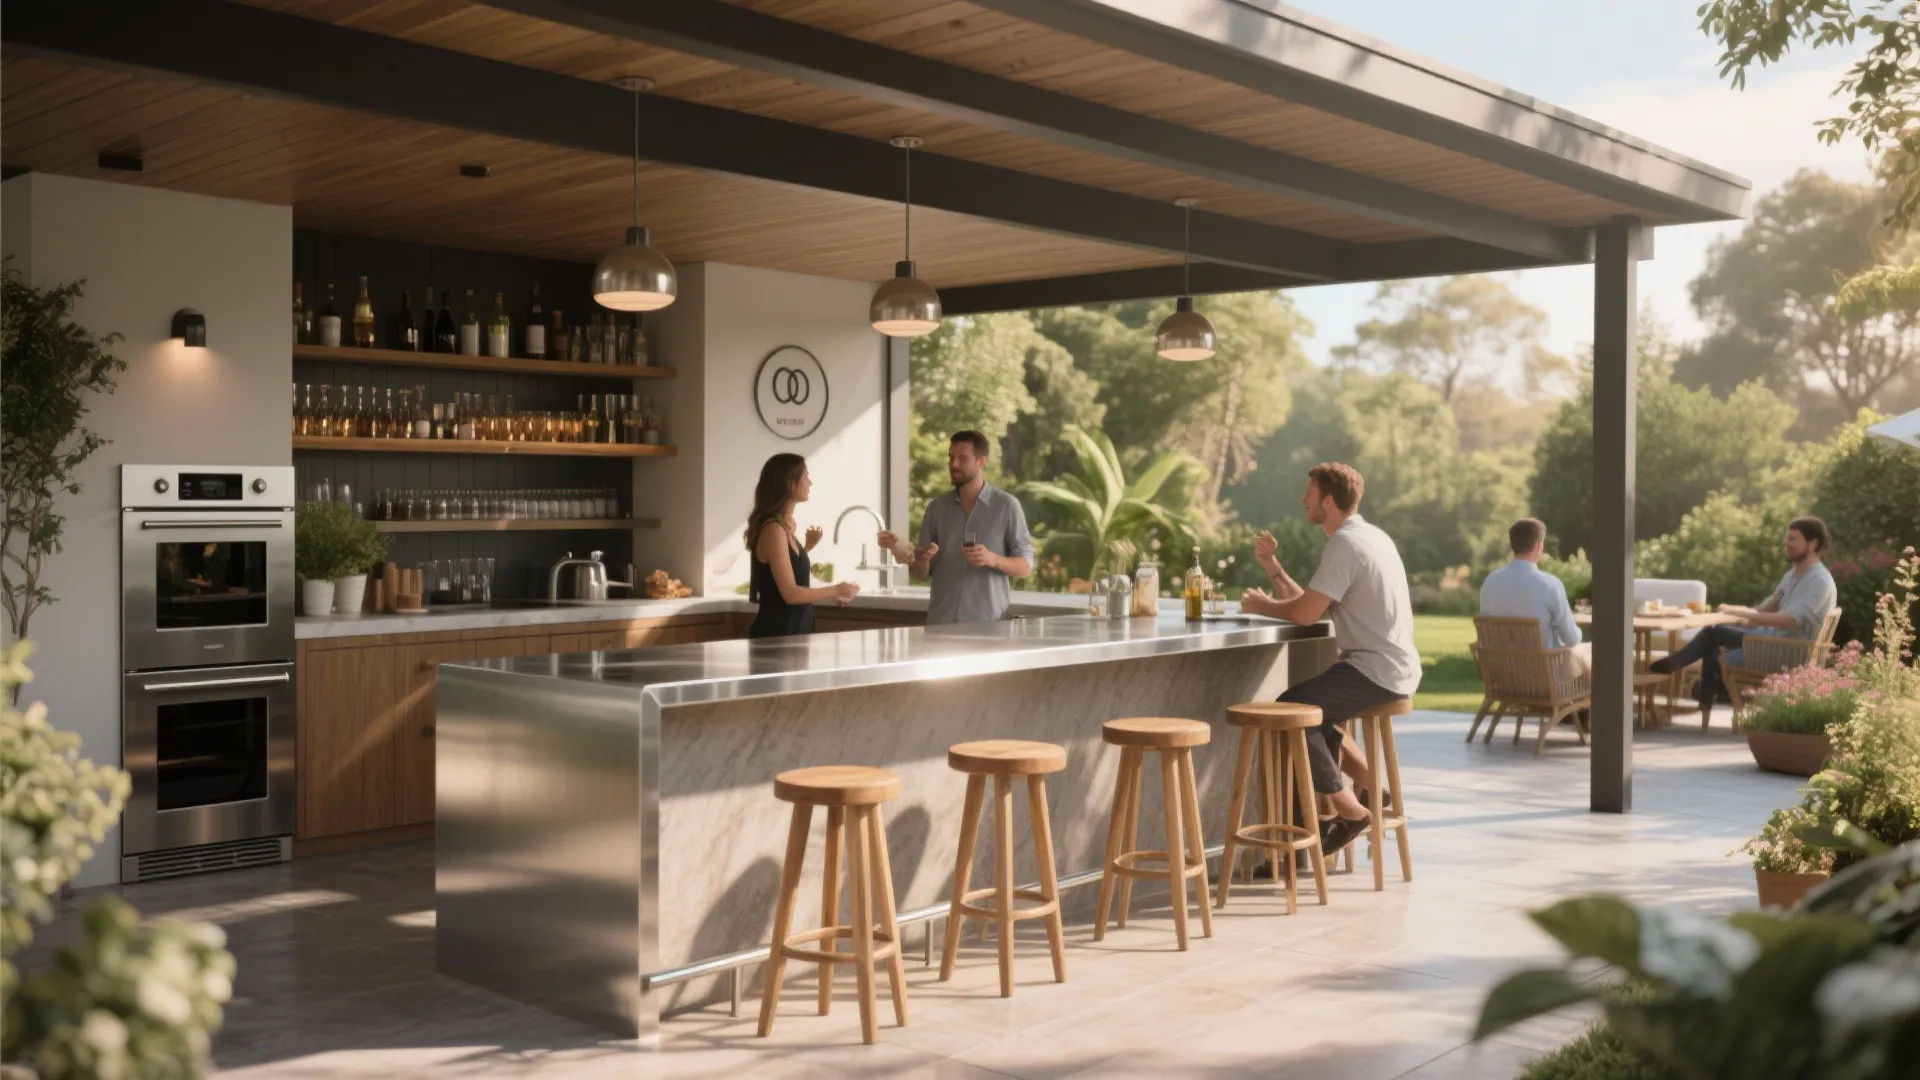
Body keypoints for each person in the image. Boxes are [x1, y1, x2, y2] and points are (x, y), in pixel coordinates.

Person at [1239, 462, 1420, 856]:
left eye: (1310, 493)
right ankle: (1371, 782)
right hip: (1391, 666)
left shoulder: (1345, 544)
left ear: (1328, 501)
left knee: (1292, 709)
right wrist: (1273, 568)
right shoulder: (1370, 537)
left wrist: (1261, 606)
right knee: (1314, 712)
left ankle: (1352, 812)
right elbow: (1312, 602)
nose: (1303, 499)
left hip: (1375, 670)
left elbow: (1303, 614)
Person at [1650, 516, 1837, 707]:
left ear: (1812, 544)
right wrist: (1738, 615)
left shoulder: (1819, 581)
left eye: (1792, 539)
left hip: (1787, 652)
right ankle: (1706, 690)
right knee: (1714, 633)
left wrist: (1746, 615)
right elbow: (1764, 611)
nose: (1786, 543)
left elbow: (1789, 621)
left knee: (1714, 647)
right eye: (1786, 538)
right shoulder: (1792, 575)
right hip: (1772, 640)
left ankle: (1705, 686)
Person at [877, 430, 1034, 626]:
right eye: (951, 458)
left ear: (982, 462)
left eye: (962, 459)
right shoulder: (936, 508)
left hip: (987, 628)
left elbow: (1025, 566)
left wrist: (992, 559)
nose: (954, 465)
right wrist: (919, 558)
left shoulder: (1006, 506)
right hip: (940, 625)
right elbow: (920, 574)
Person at [745, 453, 858, 638]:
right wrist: (836, 589)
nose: (810, 482)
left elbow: (789, 574)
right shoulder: (773, 529)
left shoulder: (783, 528)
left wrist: (805, 549)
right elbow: (790, 594)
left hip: (793, 635)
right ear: (789, 483)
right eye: (805, 476)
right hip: (776, 639)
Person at [1479, 518, 1589, 674]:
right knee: (1590, 652)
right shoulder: (1550, 584)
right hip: (1546, 679)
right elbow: (1571, 639)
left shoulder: (1490, 582)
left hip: (1503, 676)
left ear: (1513, 545)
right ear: (1539, 545)